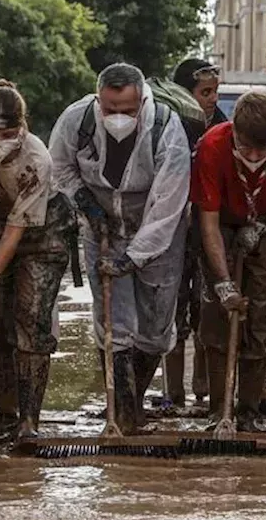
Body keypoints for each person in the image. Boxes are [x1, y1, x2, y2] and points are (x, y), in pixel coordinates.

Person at [50, 62, 191, 434]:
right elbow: (60, 168)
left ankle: (136, 400)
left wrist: (134, 256)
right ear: (99, 100)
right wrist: (87, 206)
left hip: (157, 229)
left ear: (142, 101)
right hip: (102, 227)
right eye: (110, 110)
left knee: (157, 324)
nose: (118, 118)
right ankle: (124, 410)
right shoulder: (76, 120)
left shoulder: (165, 126)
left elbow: (168, 201)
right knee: (114, 321)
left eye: (127, 111)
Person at [0, 80, 76, 441]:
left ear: (23, 128)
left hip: (41, 233)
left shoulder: (36, 160)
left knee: (30, 320)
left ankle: (29, 421)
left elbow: (15, 232)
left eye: (8, 133)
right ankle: (6, 415)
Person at [193, 91, 266, 431]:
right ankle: (219, 411)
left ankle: (249, 412)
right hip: (225, 222)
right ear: (234, 132)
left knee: (262, 313)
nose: (256, 156)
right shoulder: (212, 146)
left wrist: (264, 221)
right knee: (218, 312)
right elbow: (209, 224)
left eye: (264, 149)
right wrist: (224, 284)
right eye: (247, 148)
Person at [166, 58, 229, 410]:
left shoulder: (221, 128)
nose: (212, 99)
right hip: (172, 229)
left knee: (207, 305)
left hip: (209, 229)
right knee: (172, 308)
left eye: (215, 92)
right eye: (206, 92)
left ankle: (204, 388)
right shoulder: (168, 125)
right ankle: (173, 394)